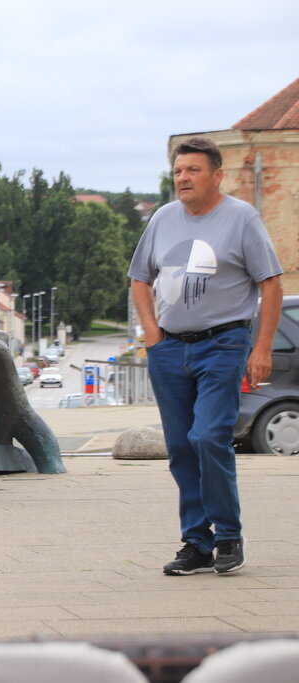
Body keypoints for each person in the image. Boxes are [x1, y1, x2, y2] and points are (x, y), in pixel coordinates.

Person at [129, 137, 283, 576]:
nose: (183, 178)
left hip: (223, 344)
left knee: (208, 436)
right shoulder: (162, 219)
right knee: (180, 446)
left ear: (217, 176)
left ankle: (229, 533)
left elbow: (270, 283)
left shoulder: (241, 219)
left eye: (193, 170)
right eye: (178, 171)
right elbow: (140, 280)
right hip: (169, 348)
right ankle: (197, 543)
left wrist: (262, 347)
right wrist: (152, 335)